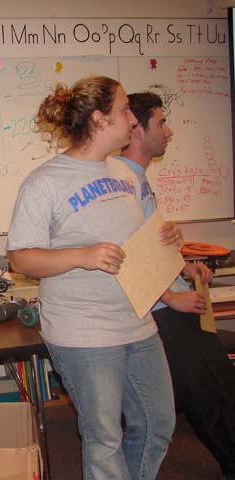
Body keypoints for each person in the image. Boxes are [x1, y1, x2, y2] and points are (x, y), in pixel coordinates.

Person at [6, 76, 176, 480]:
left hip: (137, 322)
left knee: (157, 424)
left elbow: (135, 242)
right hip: (84, 332)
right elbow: (21, 258)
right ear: (100, 119)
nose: (131, 119)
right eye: (124, 109)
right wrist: (81, 256)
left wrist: (166, 238)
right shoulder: (45, 182)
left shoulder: (126, 174)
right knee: (104, 440)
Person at [119, 91, 235, 480]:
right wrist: (170, 298)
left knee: (217, 387)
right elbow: (123, 257)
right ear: (137, 129)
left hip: (174, 302)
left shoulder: (137, 178)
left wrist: (184, 266)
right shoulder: (122, 183)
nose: (168, 131)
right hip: (161, 311)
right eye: (161, 122)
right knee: (207, 395)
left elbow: (149, 246)